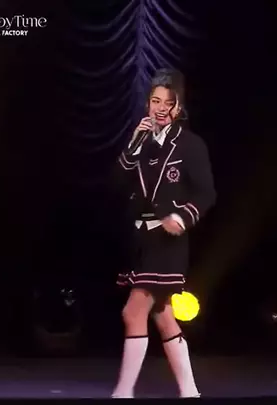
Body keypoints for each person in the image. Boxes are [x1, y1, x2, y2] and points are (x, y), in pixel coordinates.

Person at [112, 68, 216, 398]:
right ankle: (190, 391)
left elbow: (206, 193)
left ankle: (123, 392)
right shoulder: (142, 143)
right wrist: (133, 145)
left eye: (167, 103)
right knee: (163, 316)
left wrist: (183, 217)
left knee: (133, 311)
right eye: (154, 101)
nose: (159, 108)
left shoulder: (190, 144)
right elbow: (117, 181)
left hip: (168, 241)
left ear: (178, 107)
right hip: (142, 241)